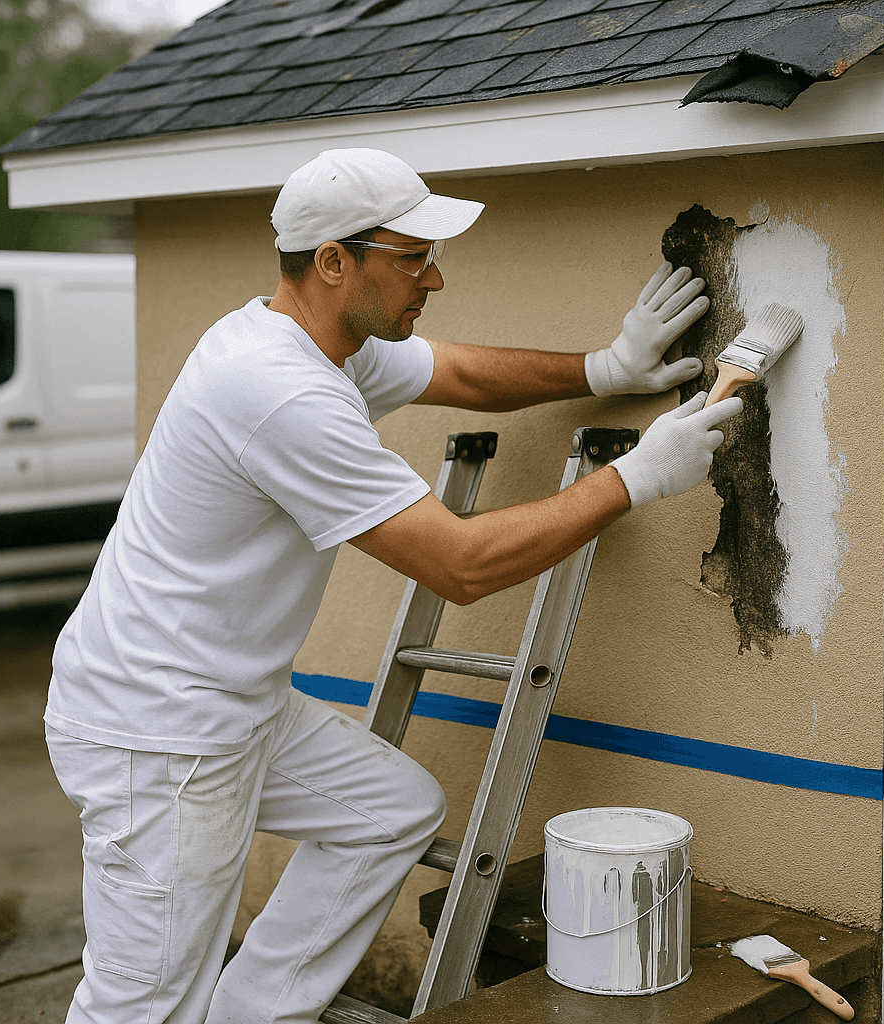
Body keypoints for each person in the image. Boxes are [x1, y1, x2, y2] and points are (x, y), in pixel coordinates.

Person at [44, 148, 743, 1024]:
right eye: (413, 259)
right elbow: (460, 564)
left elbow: (459, 373)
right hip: (158, 733)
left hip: (229, 705)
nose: (435, 277)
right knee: (143, 1003)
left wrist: (603, 368)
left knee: (391, 810)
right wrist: (634, 479)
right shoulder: (278, 391)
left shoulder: (319, 342)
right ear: (334, 261)